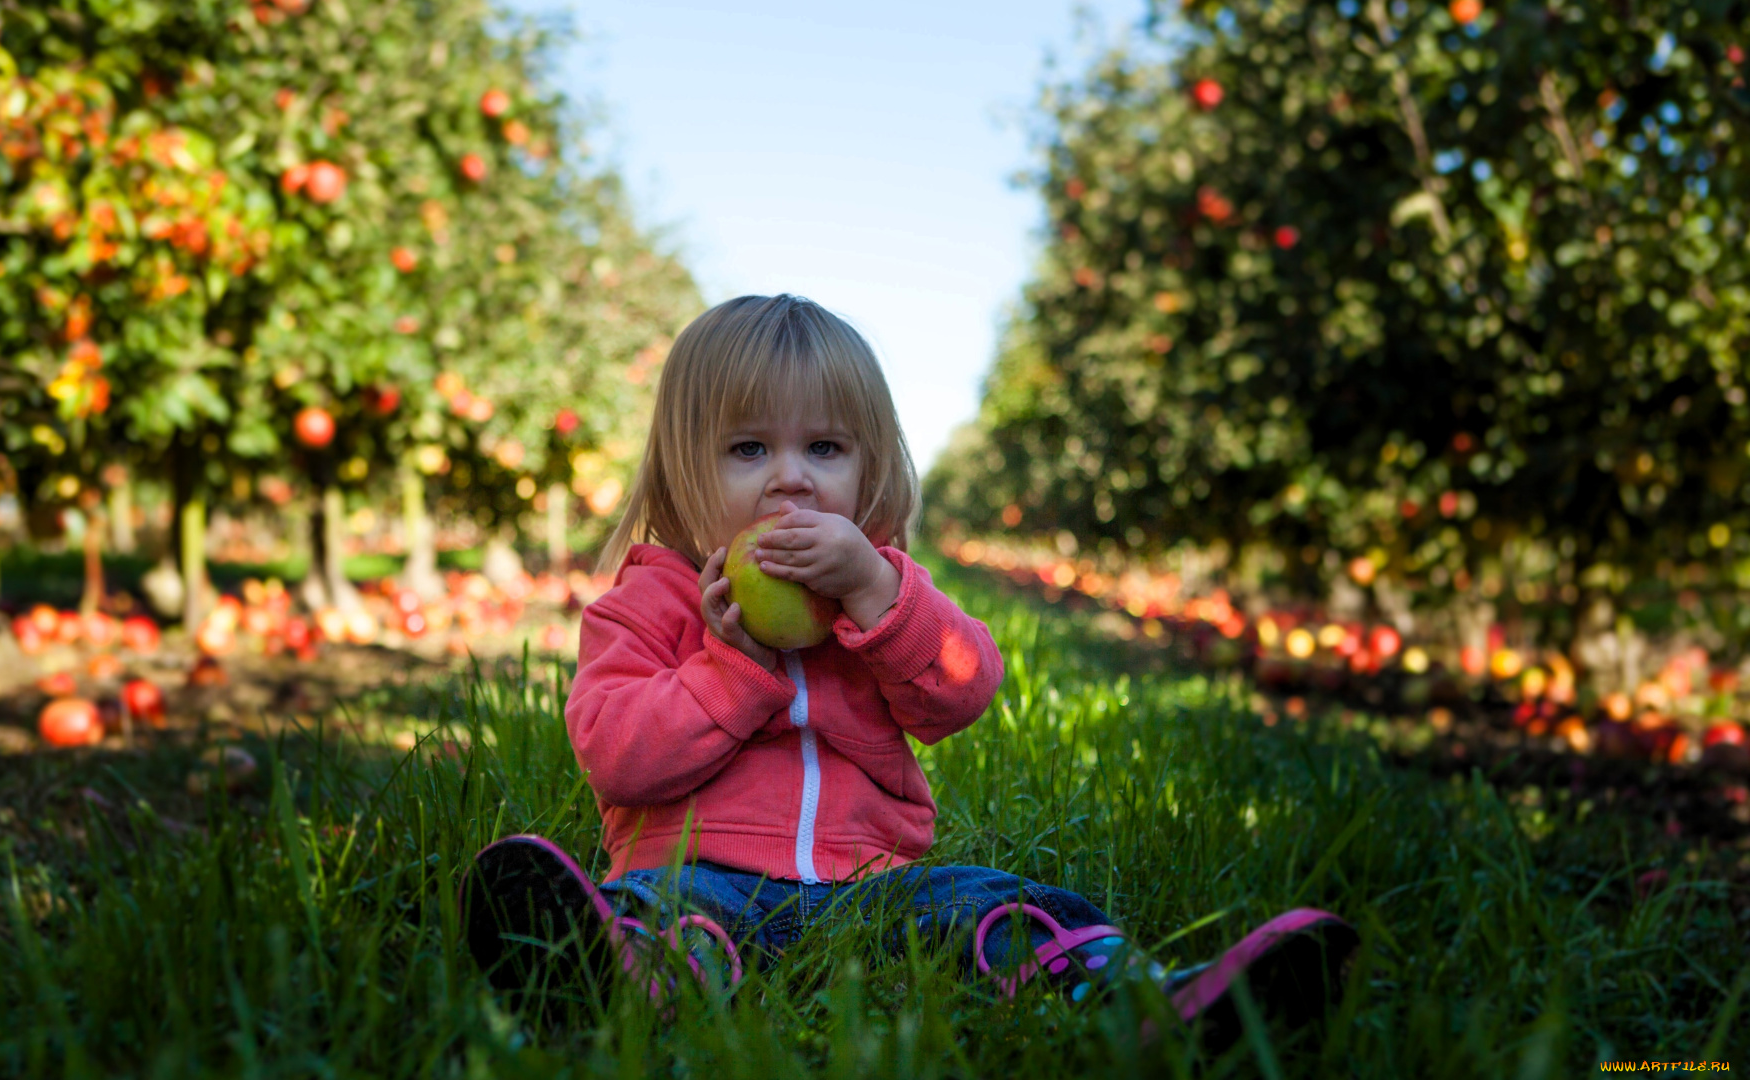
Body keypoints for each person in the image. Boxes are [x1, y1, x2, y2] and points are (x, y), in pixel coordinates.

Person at [463, 294, 1357, 1042]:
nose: (790, 481)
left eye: (825, 449)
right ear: (680, 467)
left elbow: (963, 691)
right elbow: (618, 756)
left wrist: (876, 594)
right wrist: (734, 669)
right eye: (748, 450)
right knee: (661, 915)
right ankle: (607, 974)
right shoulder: (645, 606)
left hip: (872, 887)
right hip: (697, 872)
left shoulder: (882, 591)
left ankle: (1154, 1003)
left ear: (869, 465)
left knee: (1004, 908)